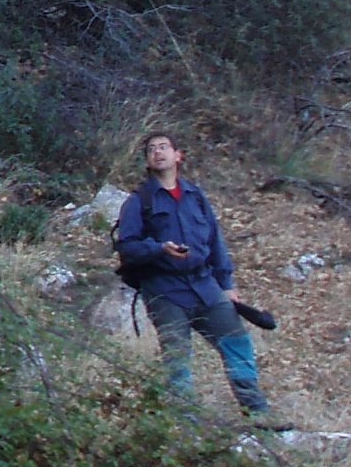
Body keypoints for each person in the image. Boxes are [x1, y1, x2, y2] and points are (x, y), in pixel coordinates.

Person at [113, 132, 272, 418]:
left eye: (164, 147)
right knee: (177, 357)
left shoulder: (195, 196)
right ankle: (184, 422)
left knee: (237, 341)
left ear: (178, 155)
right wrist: (160, 249)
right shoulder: (139, 201)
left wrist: (226, 284)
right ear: (147, 161)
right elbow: (127, 247)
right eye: (152, 150)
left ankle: (258, 413)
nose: (158, 153)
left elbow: (215, 242)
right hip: (164, 290)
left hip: (205, 284)